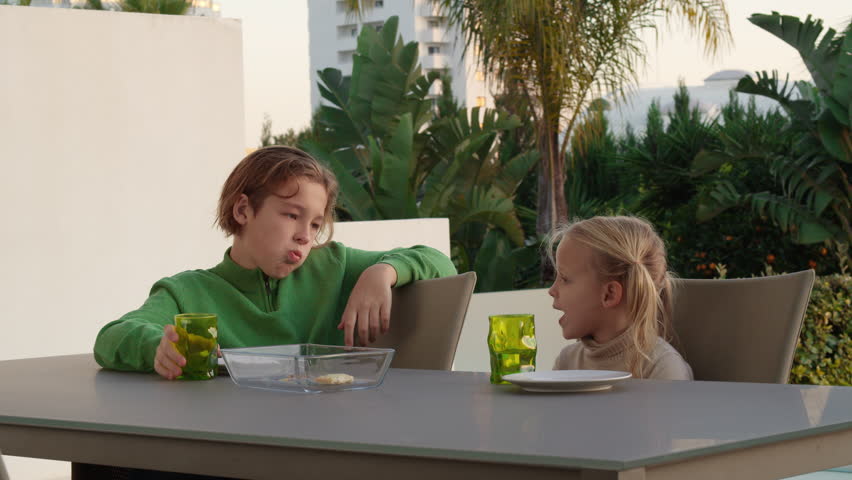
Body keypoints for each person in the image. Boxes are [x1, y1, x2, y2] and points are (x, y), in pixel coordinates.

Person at [93, 145, 456, 379]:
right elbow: (112, 338)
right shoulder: (187, 292)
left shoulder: (336, 265)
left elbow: (440, 262)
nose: (305, 235)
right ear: (243, 209)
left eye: (315, 223)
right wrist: (158, 347)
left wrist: (383, 272)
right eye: (291, 216)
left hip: (328, 442)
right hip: (231, 449)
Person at [547, 216, 692, 380]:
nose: (552, 290)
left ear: (609, 294)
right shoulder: (567, 362)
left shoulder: (662, 368)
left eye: (565, 279)